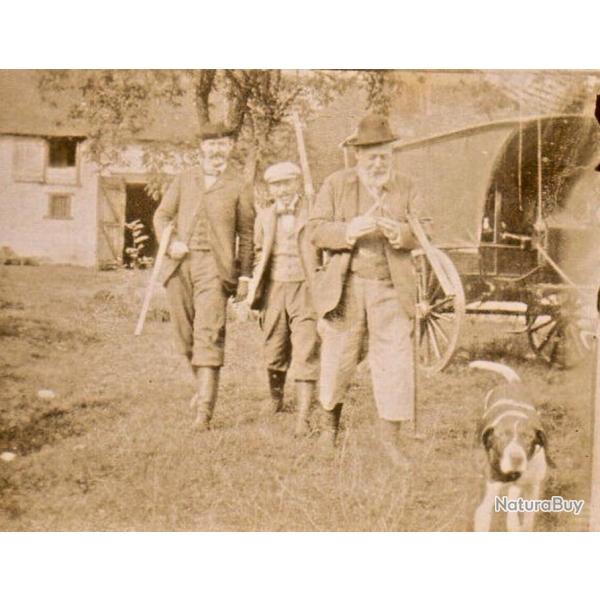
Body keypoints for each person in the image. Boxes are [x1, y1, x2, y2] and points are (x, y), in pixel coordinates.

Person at [307, 114, 419, 464]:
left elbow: (424, 230)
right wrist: (349, 231)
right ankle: (329, 432)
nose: (378, 161)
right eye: (370, 154)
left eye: (384, 153)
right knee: (338, 358)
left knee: (395, 361)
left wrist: (400, 233)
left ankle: (391, 441)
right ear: (357, 155)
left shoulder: (406, 187)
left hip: (391, 287)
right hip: (348, 286)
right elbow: (315, 230)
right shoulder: (336, 184)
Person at [153, 122, 255, 432]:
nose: (216, 150)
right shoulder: (185, 179)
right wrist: (170, 244)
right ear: (202, 148)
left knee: (208, 335)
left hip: (215, 267)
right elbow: (161, 215)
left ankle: (204, 414)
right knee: (185, 339)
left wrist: (245, 276)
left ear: (229, 148)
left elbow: (247, 235)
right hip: (180, 266)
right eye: (211, 144)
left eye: (222, 144)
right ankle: (201, 391)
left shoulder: (239, 185)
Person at [247, 162, 320, 436]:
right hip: (275, 288)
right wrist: (257, 289)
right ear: (270, 189)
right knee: (274, 346)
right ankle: (275, 398)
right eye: (276, 185)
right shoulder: (264, 216)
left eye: (287, 183)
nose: (282, 190)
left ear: (297, 184)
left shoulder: (313, 211)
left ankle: (303, 416)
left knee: (306, 346)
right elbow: (257, 253)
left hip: (306, 287)